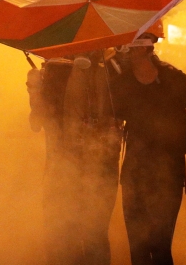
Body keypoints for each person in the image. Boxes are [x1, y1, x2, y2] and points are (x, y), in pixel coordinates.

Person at [27, 50, 122, 265]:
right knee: (77, 237)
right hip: (75, 170)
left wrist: (35, 88)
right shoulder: (100, 71)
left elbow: (35, 122)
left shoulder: (100, 73)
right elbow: (37, 121)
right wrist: (35, 89)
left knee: (76, 237)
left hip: (84, 170)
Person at [111, 23, 186, 265]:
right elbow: (111, 119)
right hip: (134, 174)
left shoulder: (174, 78)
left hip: (168, 175)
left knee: (160, 247)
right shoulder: (121, 82)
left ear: (147, 43)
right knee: (137, 250)